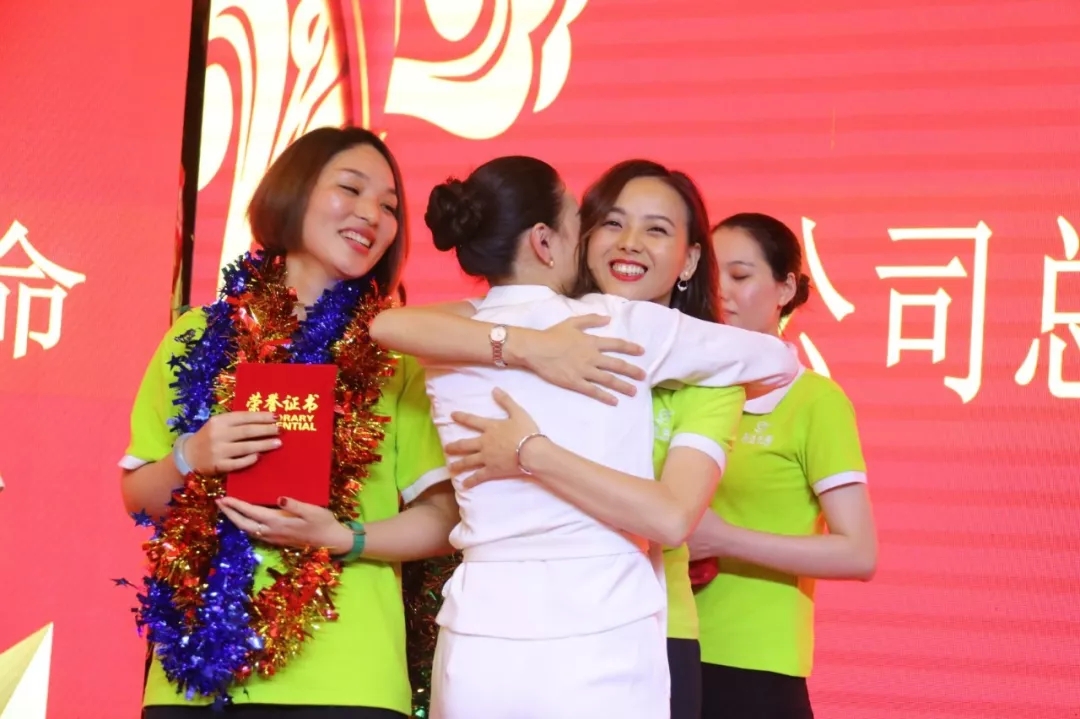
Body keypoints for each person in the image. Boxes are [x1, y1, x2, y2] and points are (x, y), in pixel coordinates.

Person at [368, 156, 800, 718]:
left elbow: (386, 325)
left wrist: (523, 378)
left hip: (480, 634)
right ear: (544, 241)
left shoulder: (449, 338)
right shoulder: (621, 324)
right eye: (590, 220)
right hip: (602, 631)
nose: (615, 240)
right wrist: (539, 348)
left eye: (655, 229)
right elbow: (777, 360)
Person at [119, 127, 460, 719]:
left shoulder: (396, 354)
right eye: (350, 189)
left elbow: (442, 518)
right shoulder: (198, 335)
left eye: (389, 206)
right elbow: (138, 497)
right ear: (293, 192)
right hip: (195, 680)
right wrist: (190, 456)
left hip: (348, 681)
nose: (372, 215)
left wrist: (344, 538)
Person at [688, 212, 879, 719]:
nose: (721, 292)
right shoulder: (686, 393)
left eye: (740, 275)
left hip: (756, 667)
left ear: (785, 288)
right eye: (712, 276)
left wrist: (724, 539)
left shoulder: (815, 401)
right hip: (661, 649)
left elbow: (858, 553)